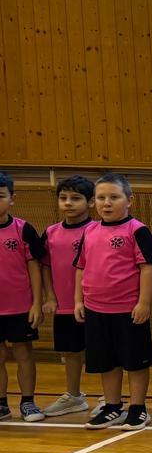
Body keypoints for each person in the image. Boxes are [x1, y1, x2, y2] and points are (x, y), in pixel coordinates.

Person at [75, 173, 152, 430]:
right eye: (101, 198)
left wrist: (143, 303)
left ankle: (138, 408)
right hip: (95, 309)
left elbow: (148, 268)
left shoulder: (137, 230)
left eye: (114, 197)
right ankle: (113, 407)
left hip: (127, 310)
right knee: (106, 361)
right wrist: (78, 301)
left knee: (134, 361)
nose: (107, 203)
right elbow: (80, 267)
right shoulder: (89, 230)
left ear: (129, 200)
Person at [40, 175, 95, 417]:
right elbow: (44, 266)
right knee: (71, 352)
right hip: (64, 305)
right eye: (63, 198)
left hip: (94, 304)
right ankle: (74, 396)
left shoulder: (96, 230)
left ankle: (110, 398)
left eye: (75, 198)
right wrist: (50, 297)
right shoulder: (50, 233)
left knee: (102, 351)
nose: (68, 203)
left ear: (90, 202)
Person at [0, 170, 47, 423]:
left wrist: (37, 303)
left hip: (20, 307)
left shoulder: (23, 229)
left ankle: (28, 402)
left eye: (0, 196)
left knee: (24, 354)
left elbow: (35, 268)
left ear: (12, 198)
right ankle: (1, 404)